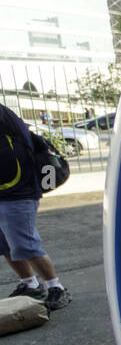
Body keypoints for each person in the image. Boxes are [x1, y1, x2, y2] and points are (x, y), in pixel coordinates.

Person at [0, 104, 71, 309]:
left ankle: (56, 287)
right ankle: (30, 284)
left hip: (19, 192)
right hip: (5, 191)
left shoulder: (6, 118)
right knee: (5, 245)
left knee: (25, 244)